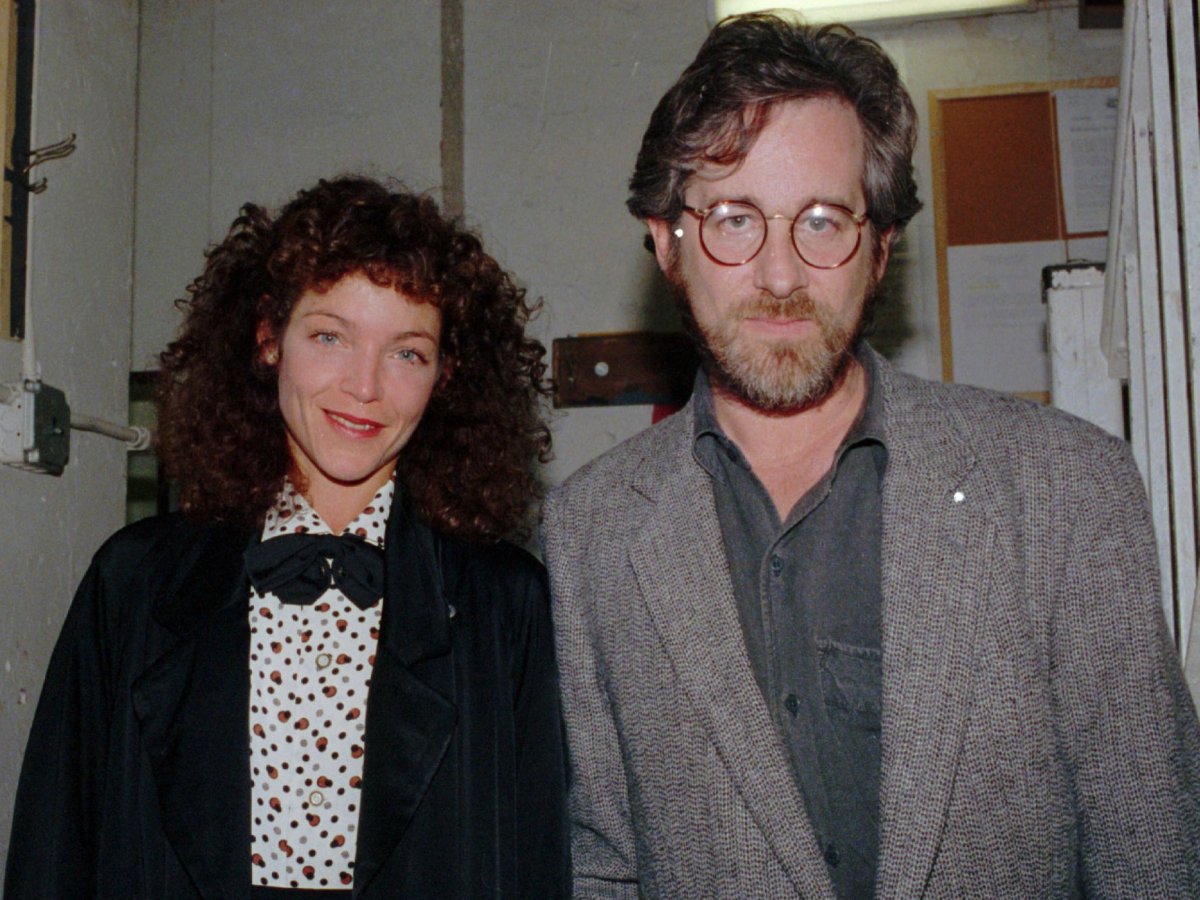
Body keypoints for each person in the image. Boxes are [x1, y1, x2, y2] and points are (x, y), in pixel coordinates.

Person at [541, 14, 1200, 898]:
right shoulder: (588, 533)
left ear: (881, 247)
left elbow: (1154, 857)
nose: (781, 276)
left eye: (822, 220)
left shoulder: (1067, 490)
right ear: (668, 241)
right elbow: (607, 869)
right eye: (733, 219)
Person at [6, 176, 568, 898]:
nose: (364, 386)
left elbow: (537, 866)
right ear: (270, 338)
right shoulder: (134, 581)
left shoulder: (506, 604)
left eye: (407, 353)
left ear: (446, 375)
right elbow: (51, 854)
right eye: (330, 336)